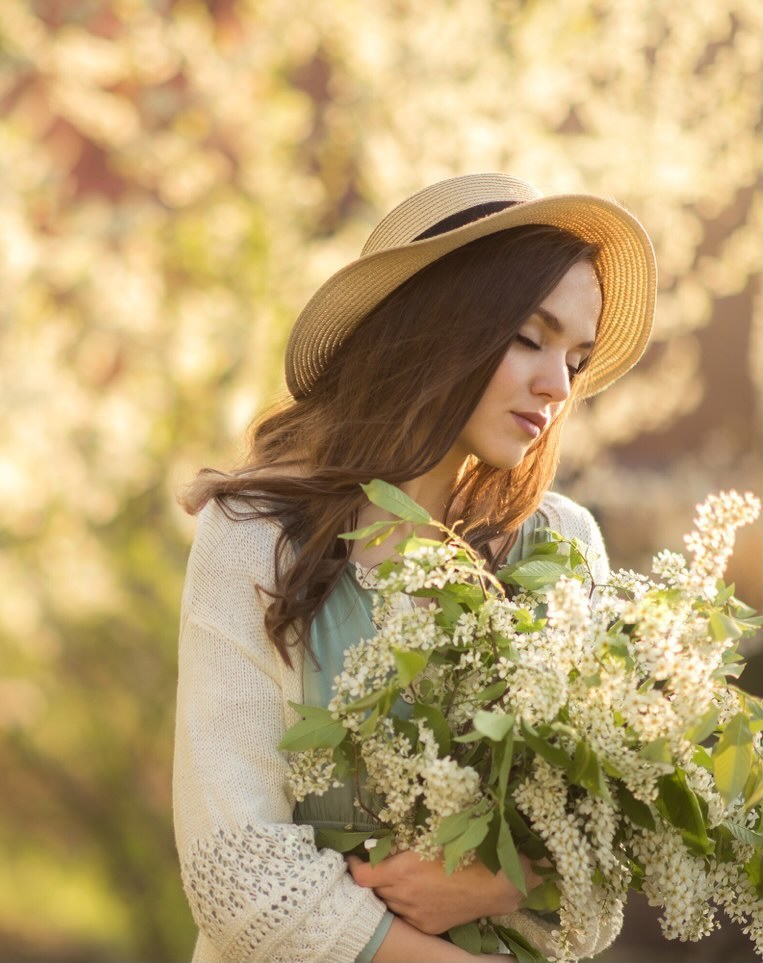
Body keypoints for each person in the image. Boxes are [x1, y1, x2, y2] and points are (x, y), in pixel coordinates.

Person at [172, 172, 657, 962]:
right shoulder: (256, 537)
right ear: (443, 327)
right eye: (529, 338)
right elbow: (238, 874)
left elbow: (599, 869)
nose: (556, 386)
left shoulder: (560, 549)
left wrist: (503, 879)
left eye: (576, 357)